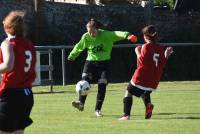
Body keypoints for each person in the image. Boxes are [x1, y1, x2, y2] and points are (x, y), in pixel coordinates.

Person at [68, 19, 137, 117]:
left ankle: (97, 110)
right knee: (84, 82)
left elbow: (117, 33)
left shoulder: (106, 35)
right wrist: (72, 55)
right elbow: (79, 46)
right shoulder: (86, 37)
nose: (91, 34)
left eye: (93, 32)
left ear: (97, 29)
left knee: (102, 84)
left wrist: (128, 35)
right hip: (90, 63)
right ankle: (80, 103)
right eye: (89, 32)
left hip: (104, 64)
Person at [119, 25, 173, 120]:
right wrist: (166, 55)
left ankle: (126, 115)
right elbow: (162, 64)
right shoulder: (160, 48)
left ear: (146, 36)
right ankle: (148, 105)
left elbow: (141, 61)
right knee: (145, 92)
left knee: (128, 92)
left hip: (141, 77)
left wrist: (137, 51)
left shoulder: (145, 46)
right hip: (153, 81)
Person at [0, 11, 36, 134]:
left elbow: (8, 66)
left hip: (11, 94)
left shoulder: (8, 44)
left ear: (7, 27)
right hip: (27, 95)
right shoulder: (29, 44)